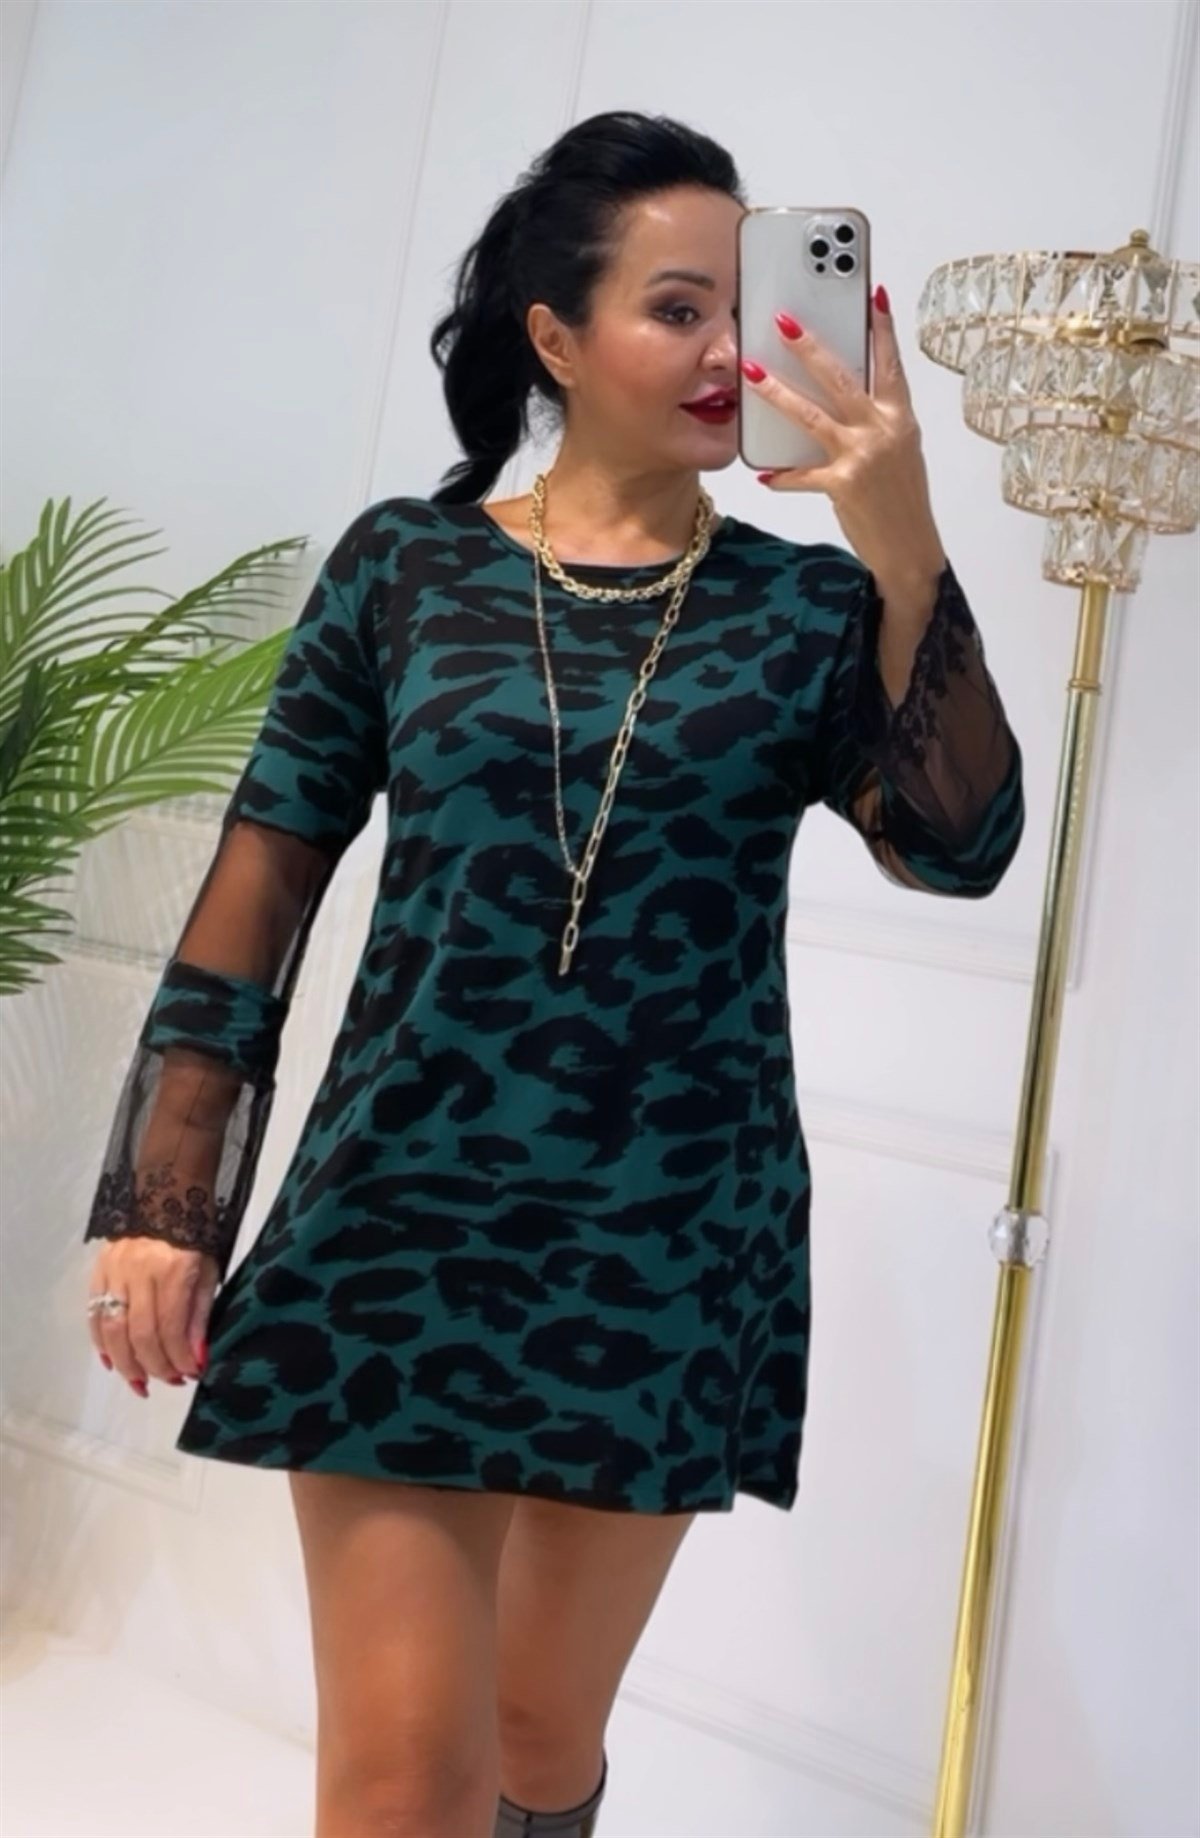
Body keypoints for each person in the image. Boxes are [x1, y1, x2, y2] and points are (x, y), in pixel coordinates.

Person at [81, 110, 1025, 1838]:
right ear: (556, 340)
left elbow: (959, 845)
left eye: (749, 304)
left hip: (667, 1240)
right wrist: (168, 1194)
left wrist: (903, 543)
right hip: (402, 1217)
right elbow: (264, 876)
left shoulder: (811, 612)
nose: (731, 348)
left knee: (534, 1730)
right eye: (679, 307)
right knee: (400, 1779)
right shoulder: (405, 567)